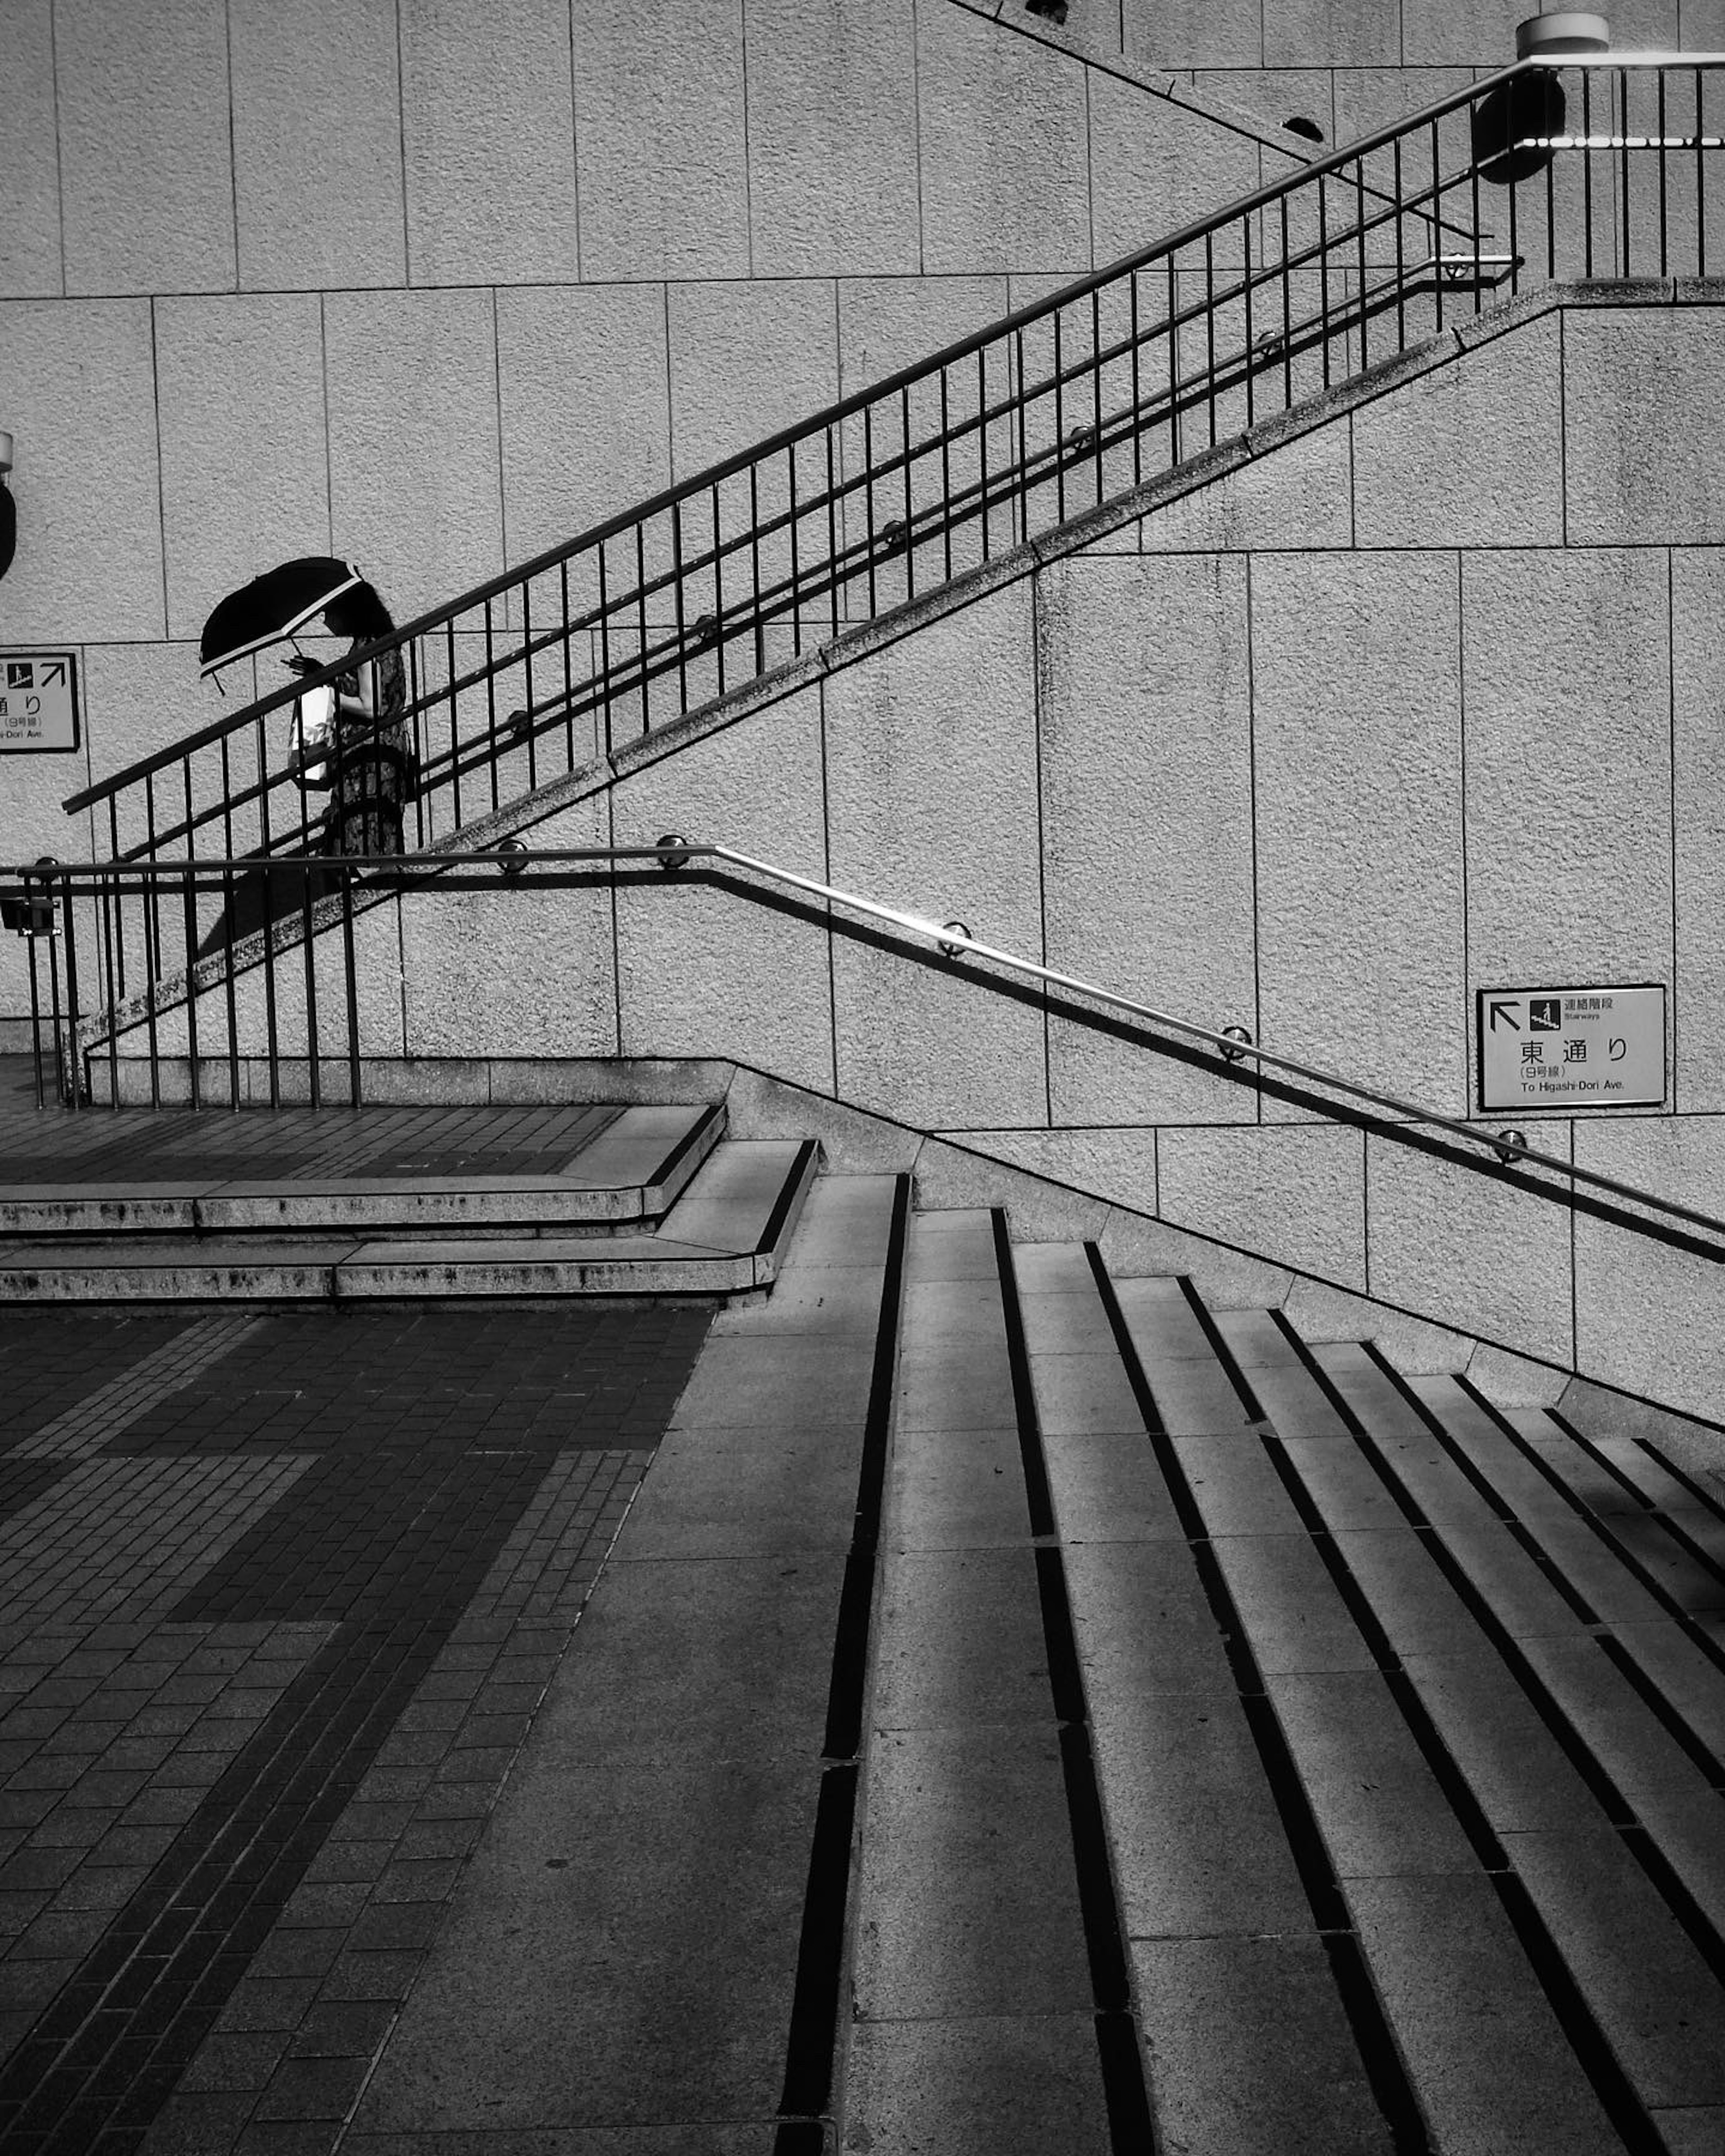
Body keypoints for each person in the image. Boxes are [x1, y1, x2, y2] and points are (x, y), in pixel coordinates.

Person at [289, 580, 414, 857]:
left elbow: (371, 708)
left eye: (330, 612)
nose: (326, 621)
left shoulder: (367, 647)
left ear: (351, 612)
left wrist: (327, 696)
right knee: (376, 823)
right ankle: (374, 878)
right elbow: (364, 688)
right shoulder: (381, 643)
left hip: (367, 756)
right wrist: (322, 674)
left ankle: (363, 881)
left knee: (361, 823)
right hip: (381, 750)